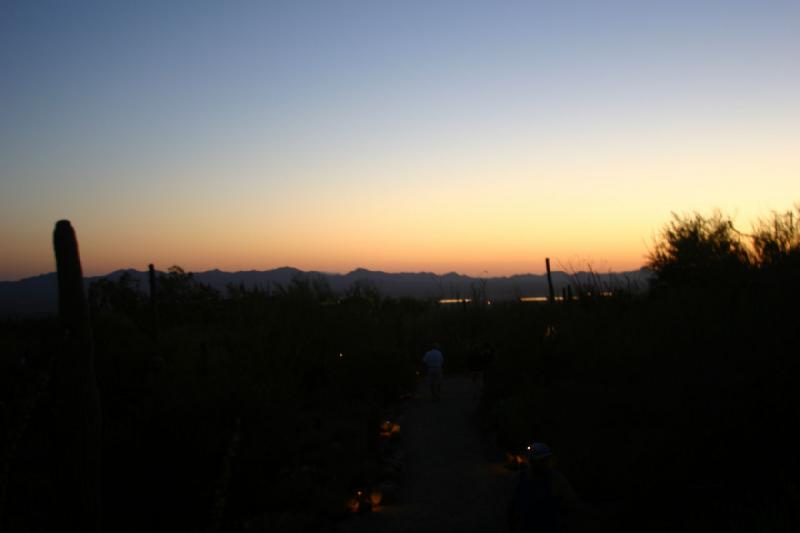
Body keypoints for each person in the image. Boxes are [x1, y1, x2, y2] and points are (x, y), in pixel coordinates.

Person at [508, 442, 588, 532]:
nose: (541, 464)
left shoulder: (556, 479)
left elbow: (572, 502)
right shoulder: (519, 478)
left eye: (543, 461)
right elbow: (512, 506)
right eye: (539, 461)